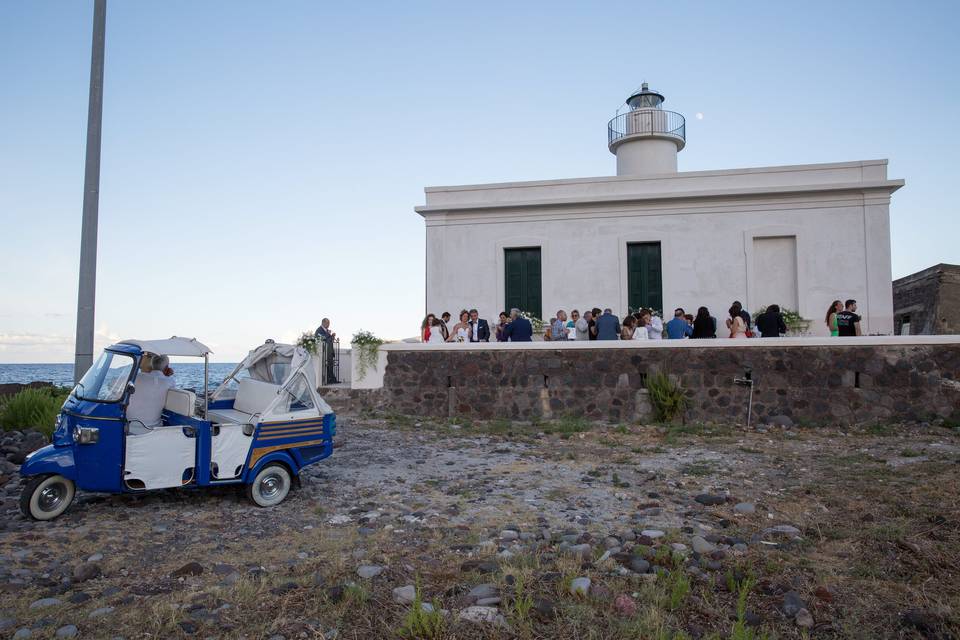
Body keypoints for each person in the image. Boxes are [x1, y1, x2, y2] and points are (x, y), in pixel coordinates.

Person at [126, 353, 176, 433]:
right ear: (167, 367)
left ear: (151, 365)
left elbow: (112, 384)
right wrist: (168, 376)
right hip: (153, 431)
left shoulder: (135, 378)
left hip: (129, 428)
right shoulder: (170, 381)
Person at [315, 318, 338, 383]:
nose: (328, 325)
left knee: (330, 365)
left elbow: (329, 340)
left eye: (329, 323)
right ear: (323, 323)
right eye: (327, 323)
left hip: (329, 351)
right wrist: (328, 334)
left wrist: (332, 336)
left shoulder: (327, 330)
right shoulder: (319, 330)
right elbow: (321, 338)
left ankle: (332, 379)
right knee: (326, 365)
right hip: (324, 351)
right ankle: (328, 380)